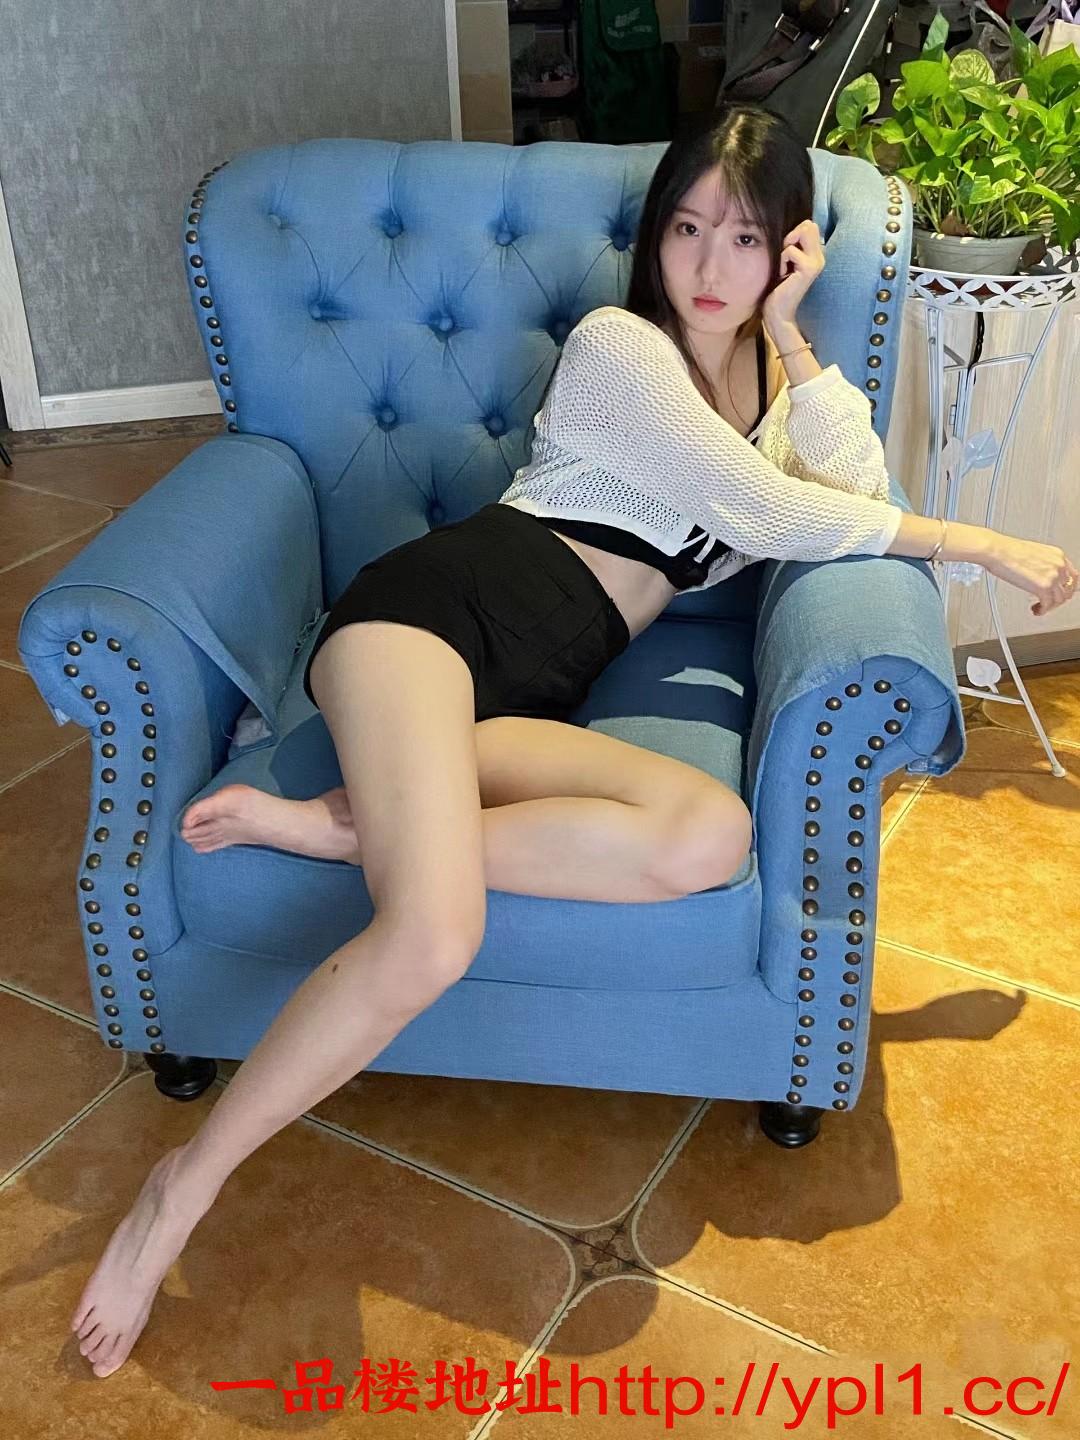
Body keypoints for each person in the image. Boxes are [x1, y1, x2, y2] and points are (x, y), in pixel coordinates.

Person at [71, 100, 1078, 1379]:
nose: (709, 266)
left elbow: (852, 492)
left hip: (532, 690)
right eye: (687, 229)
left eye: (747, 240)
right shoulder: (619, 347)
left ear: (788, 249)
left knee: (707, 835)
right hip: (432, 623)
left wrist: (791, 333)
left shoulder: (771, 390)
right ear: (655, 235)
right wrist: (981, 542)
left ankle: (348, 826)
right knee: (432, 932)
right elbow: (769, 509)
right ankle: (181, 1189)